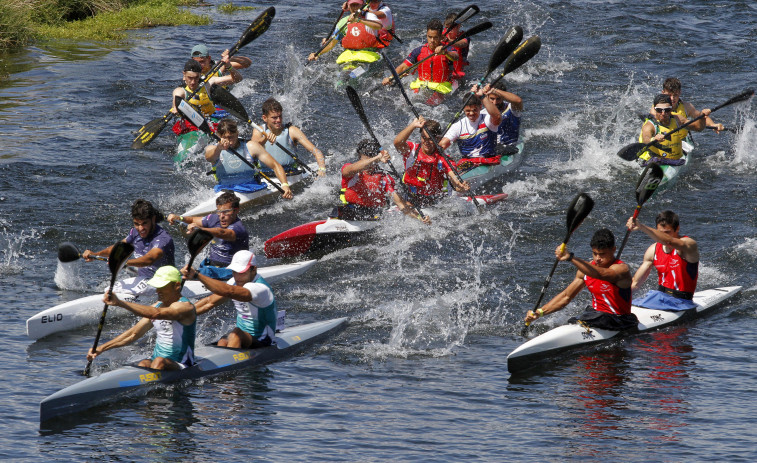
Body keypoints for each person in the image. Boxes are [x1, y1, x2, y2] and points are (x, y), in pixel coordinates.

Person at [525, 229, 638, 331]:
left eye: (602, 254)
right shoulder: (585, 270)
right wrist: (539, 313)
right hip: (596, 316)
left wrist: (571, 258)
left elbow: (601, 274)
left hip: (620, 320)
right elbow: (566, 296)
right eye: (595, 253)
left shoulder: (621, 269)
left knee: (598, 317)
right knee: (578, 318)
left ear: (613, 250)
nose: (598, 258)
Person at [87, 266, 197, 370]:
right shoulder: (157, 306)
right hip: (157, 362)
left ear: (177, 286)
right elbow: (133, 334)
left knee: (159, 362)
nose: (158, 291)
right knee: (143, 363)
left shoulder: (185, 307)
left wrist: (120, 303)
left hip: (182, 364)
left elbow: (156, 314)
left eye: (162, 287)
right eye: (157, 287)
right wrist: (101, 348)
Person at [185, 250, 276, 349]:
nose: (237, 277)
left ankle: (230, 362)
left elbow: (229, 291)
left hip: (263, 341)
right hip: (243, 337)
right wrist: (182, 315)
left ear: (253, 269)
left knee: (235, 334)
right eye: (234, 272)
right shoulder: (233, 282)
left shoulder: (260, 288)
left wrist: (197, 275)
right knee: (223, 340)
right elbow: (209, 302)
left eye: (241, 272)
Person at [83, 199, 175, 296]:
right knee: (109, 289)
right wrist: (96, 254)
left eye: (144, 223)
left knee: (113, 292)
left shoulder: (163, 238)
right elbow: (119, 248)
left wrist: (123, 262)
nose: (141, 228)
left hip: (163, 282)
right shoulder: (135, 233)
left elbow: (149, 259)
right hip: (144, 279)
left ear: (153, 219)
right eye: (136, 224)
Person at [337, 138, 430, 224]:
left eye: (372, 161)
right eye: (366, 160)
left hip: (373, 215)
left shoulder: (384, 178)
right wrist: (377, 158)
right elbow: (351, 169)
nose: (368, 165)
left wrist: (419, 218)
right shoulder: (350, 170)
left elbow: (401, 204)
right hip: (349, 212)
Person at [625, 210, 699, 311]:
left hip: (682, 301)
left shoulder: (688, 245)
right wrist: (619, 297)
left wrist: (641, 227)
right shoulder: (653, 250)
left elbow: (669, 241)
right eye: (660, 233)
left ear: (677, 229)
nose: (663, 236)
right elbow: (636, 283)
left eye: (667, 232)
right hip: (659, 297)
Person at [167, 191, 249, 280]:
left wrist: (201, 230)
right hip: (212, 266)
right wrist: (180, 218)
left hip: (230, 270)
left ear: (236, 210)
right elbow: (193, 219)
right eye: (219, 212)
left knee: (191, 274)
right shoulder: (214, 218)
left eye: (226, 212)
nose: (221, 216)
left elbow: (221, 232)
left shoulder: (239, 228)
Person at [204, 118, 294, 199]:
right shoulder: (213, 149)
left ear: (237, 134)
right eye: (224, 138)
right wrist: (219, 148)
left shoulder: (251, 146)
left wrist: (285, 185)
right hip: (224, 189)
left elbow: (275, 165)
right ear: (218, 136)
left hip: (251, 187)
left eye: (231, 137)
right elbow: (208, 157)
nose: (229, 141)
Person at [393, 116, 469, 206]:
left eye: (430, 139)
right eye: (424, 138)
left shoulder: (444, 159)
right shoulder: (411, 150)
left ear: (437, 139)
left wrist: (459, 186)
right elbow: (397, 143)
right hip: (412, 198)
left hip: (437, 201)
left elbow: (453, 177)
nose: (426, 142)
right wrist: (413, 125)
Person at [382, 19, 459, 102]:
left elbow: (456, 56)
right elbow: (403, 67)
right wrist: (390, 77)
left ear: (441, 37)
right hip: (422, 86)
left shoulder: (448, 49)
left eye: (435, 37)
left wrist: (445, 52)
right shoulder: (418, 51)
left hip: (441, 87)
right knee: (404, 102)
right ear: (426, 35)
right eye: (430, 37)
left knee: (430, 102)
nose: (432, 40)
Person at [251, 98, 327, 177]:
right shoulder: (258, 131)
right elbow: (252, 148)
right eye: (274, 118)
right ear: (264, 118)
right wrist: (265, 138)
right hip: (266, 174)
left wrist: (322, 169)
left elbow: (316, 151)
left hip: (290, 173)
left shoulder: (292, 131)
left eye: (280, 116)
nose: (279, 120)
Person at [439, 84, 502, 166]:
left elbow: (497, 116)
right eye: (468, 111)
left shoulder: (487, 119)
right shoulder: (458, 126)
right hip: (468, 164)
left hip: (489, 160)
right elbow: (442, 146)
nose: (471, 113)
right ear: (463, 109)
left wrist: (482, 96)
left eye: (474, 110)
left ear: (480, 107)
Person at [171, 60, 237, 135]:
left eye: (196, 78)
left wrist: (229, 66)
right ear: (184, 75)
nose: (193, 82)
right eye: (190, 78)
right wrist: (175, 107)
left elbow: (237, 79)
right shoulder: (180, 90)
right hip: (190, 126)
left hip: (211, 121)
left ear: (200, 75)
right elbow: (176, 97)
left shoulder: (208, 84)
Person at [307, 0, 383, 62]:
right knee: (345, 75)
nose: (355, 7)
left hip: (370, 53)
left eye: (357, 4)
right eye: (352, 5)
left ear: (362, 5)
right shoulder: (343, 22)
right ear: (348, 6)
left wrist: (359, 20)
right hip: (350, 54)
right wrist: (318, 54)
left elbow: (379, 26)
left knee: (352, 75)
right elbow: (332, 43)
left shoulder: (370, 16)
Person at [652, 77, 723, 133]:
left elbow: (701, 117)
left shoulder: (687, 107)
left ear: (680, 93)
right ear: (663, 93)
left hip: (682, 140)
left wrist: (713, 125)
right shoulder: (657, 109)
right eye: (669, 95)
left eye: (675, 95)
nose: (672, 98)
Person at [638, 94, 689, 165]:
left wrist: (703, 117)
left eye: (667, 110)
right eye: (659, 110)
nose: (663, 113)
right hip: (652, 159)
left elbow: (697, 127)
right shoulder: (649, 125)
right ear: (655, 109)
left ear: (671, 109)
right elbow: (646, 139)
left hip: (672, 158)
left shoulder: (677, 119)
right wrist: (654, 139)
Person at [481, 81, 523, 150]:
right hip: (493, 148)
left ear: (503, 97)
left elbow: (518, 101)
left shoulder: (511, 109)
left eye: (498, 99)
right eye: (492, 99)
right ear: (487, 97)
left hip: (510, 147)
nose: (495, 103)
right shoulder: (482, 113)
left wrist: (494, 90)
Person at [442, 12, 469, 79]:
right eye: (447, 27)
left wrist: (448, 41)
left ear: (458, 26)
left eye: (451, 28)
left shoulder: (465, 36)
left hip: (459, 66)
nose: (448, 30)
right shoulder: (442, 34)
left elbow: (463, 44)